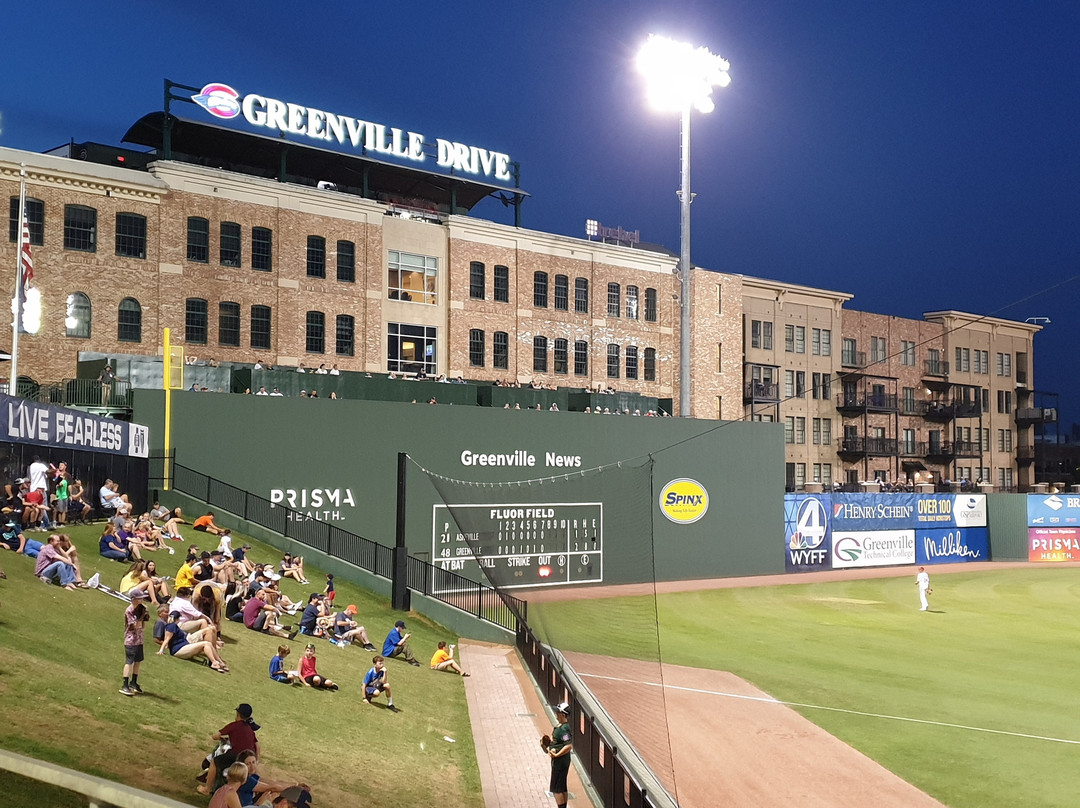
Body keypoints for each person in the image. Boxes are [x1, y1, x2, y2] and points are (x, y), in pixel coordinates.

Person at [157, 611, 229, 673]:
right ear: (177, 619)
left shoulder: (174, 626)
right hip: (178, 650)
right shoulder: (171, 626)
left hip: (184, 645)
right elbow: (167, 639)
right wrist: (161, 650)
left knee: (208, 643)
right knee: (205, 644)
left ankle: (219, 662)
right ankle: (214, 662)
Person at [543, 701, 573, 808]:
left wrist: (557, 754)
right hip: (559, 762)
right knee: (562, 787)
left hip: (560, 763)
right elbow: (559, 742)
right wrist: (550, 744)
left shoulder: (564, 729)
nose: (556, 713)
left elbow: (568, 745)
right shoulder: (560, 726)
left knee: (557, 789)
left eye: (558, 712)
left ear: (563, 714)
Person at [120, 590, 151, 696]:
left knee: (138, 661)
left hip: (139, 640)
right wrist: (140, 617)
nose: (142, 600)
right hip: (131, 640)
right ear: (133, 599)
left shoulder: (140, 609)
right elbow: (134, 626)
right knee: (129, 662)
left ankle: (134, 682)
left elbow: (142, 626)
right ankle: (125, 685)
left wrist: (144, 617)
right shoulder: (129, 611)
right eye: (140, 598)